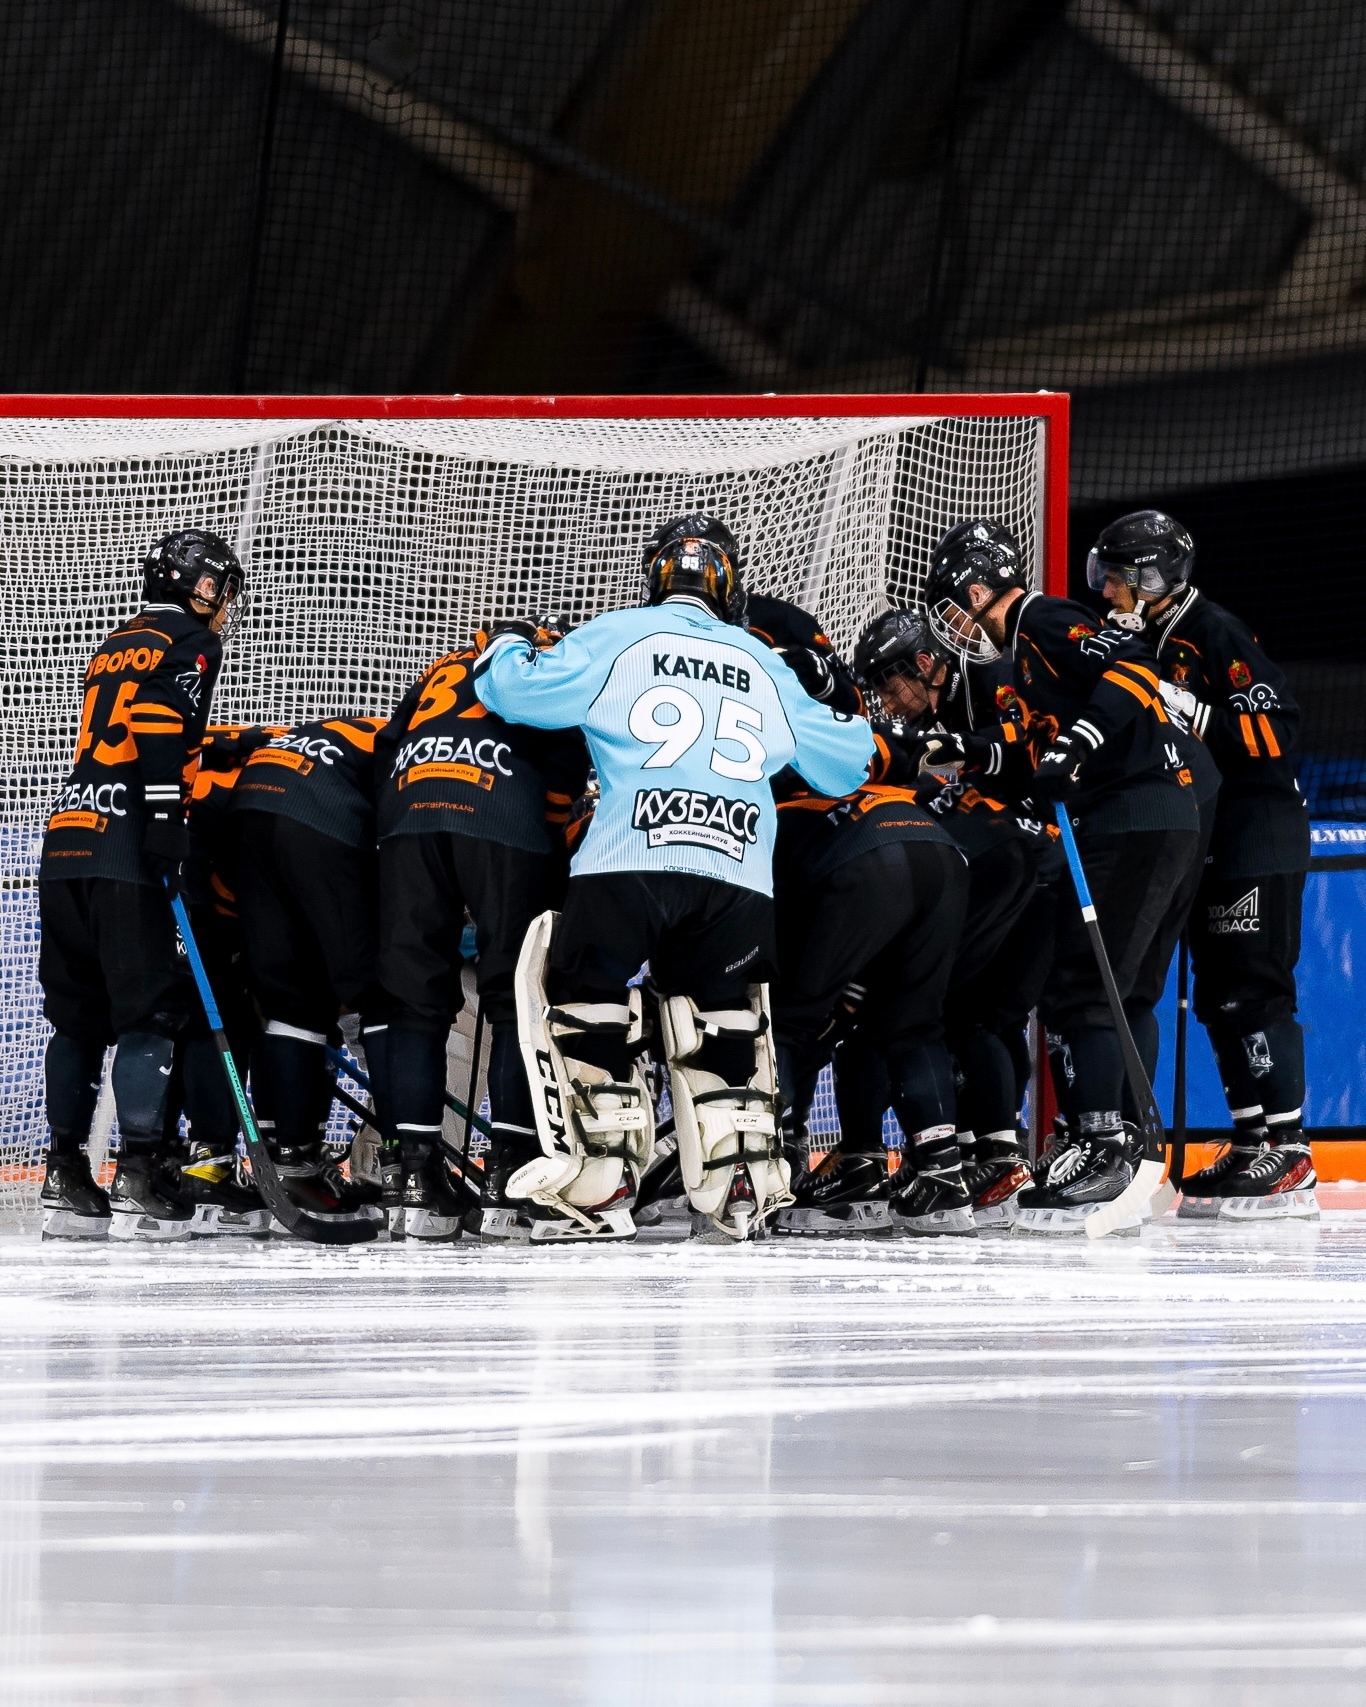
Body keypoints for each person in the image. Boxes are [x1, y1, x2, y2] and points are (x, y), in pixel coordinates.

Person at [474, 513, 874, 1240]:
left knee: (588, 1001)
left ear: (657, 573)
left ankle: (599, 1185)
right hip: (738, 875)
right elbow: (849, 762)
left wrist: (506, 644)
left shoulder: (616, 632)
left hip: (628, 859)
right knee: (725, 1022)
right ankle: (737, 1185)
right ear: (727, 583)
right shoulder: (763, 660)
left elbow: (516, 694)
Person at [924, 518, 1200, 1233]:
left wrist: (1077, 745)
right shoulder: (1020, 659)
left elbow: (1136, 665)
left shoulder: (1043, 619)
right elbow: (1028, 754)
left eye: (957, 607)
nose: (958, 628)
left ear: (979, 590)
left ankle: (1105, 1142)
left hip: (1137, 813)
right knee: (1085, 982)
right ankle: (1107, 1136)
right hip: (1130, 816)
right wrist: (966, 750)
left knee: (1083, 982)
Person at [1088, 510, 1315, 1220]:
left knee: (1253, 986)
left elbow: (1276, 730)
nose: (1107, 594)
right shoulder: (1139, 638)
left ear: (1151, 579)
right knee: (1216, 993)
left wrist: (1191, 708)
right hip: (1203, 831)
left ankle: (1291, 1148)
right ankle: (1253, 1141)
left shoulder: (1214, 631)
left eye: (1118, 581)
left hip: (1259, 830)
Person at [37, 529, 245, 1241]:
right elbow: (155, 720)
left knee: (76, 1019)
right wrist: (164, 816)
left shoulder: (115, 639)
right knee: (147, 1015)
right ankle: (138, 1172)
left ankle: (64, 1174)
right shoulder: (190, 637)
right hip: (125, 841)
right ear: (205, 586)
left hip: (67, 834)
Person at [374, 632, 589, 1241]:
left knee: (414, 997)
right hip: (501, 807)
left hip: (408, 808)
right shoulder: (543, 667)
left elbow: (388, 746)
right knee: (513, 997)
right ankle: (506, 1173)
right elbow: (565, 768)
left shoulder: (443, 665)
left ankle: (413, 1177)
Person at [850, 607, 1047, 1227]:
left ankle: (980, 1153)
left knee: (934, 1008)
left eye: (890, 683)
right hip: (1020, 857)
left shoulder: (990, 678)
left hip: (1013, 860)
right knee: (984, 1015)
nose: (887, 699)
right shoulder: (942, 710)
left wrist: (973, 751)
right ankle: (994, 1153)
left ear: (926, 664)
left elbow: (1028, 747)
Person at [230, 715, 389, 1232]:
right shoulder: (422, 749)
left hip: (251, 803)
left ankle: (289, 1160)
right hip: (319, 812)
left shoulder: (369, 728)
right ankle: (409, 1163)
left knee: (292, 1002)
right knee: (377, 994)